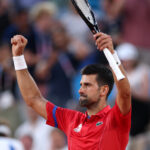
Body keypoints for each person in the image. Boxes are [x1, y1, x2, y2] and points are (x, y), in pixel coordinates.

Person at [11, 32, 131, 150]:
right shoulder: (71, 119)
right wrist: (18, 58)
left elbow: (125, 94)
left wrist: (112, 55)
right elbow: (33, 99)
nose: (80, 90)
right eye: (81, 85)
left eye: (87, 85)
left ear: (103, 90)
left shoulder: (115, 118)